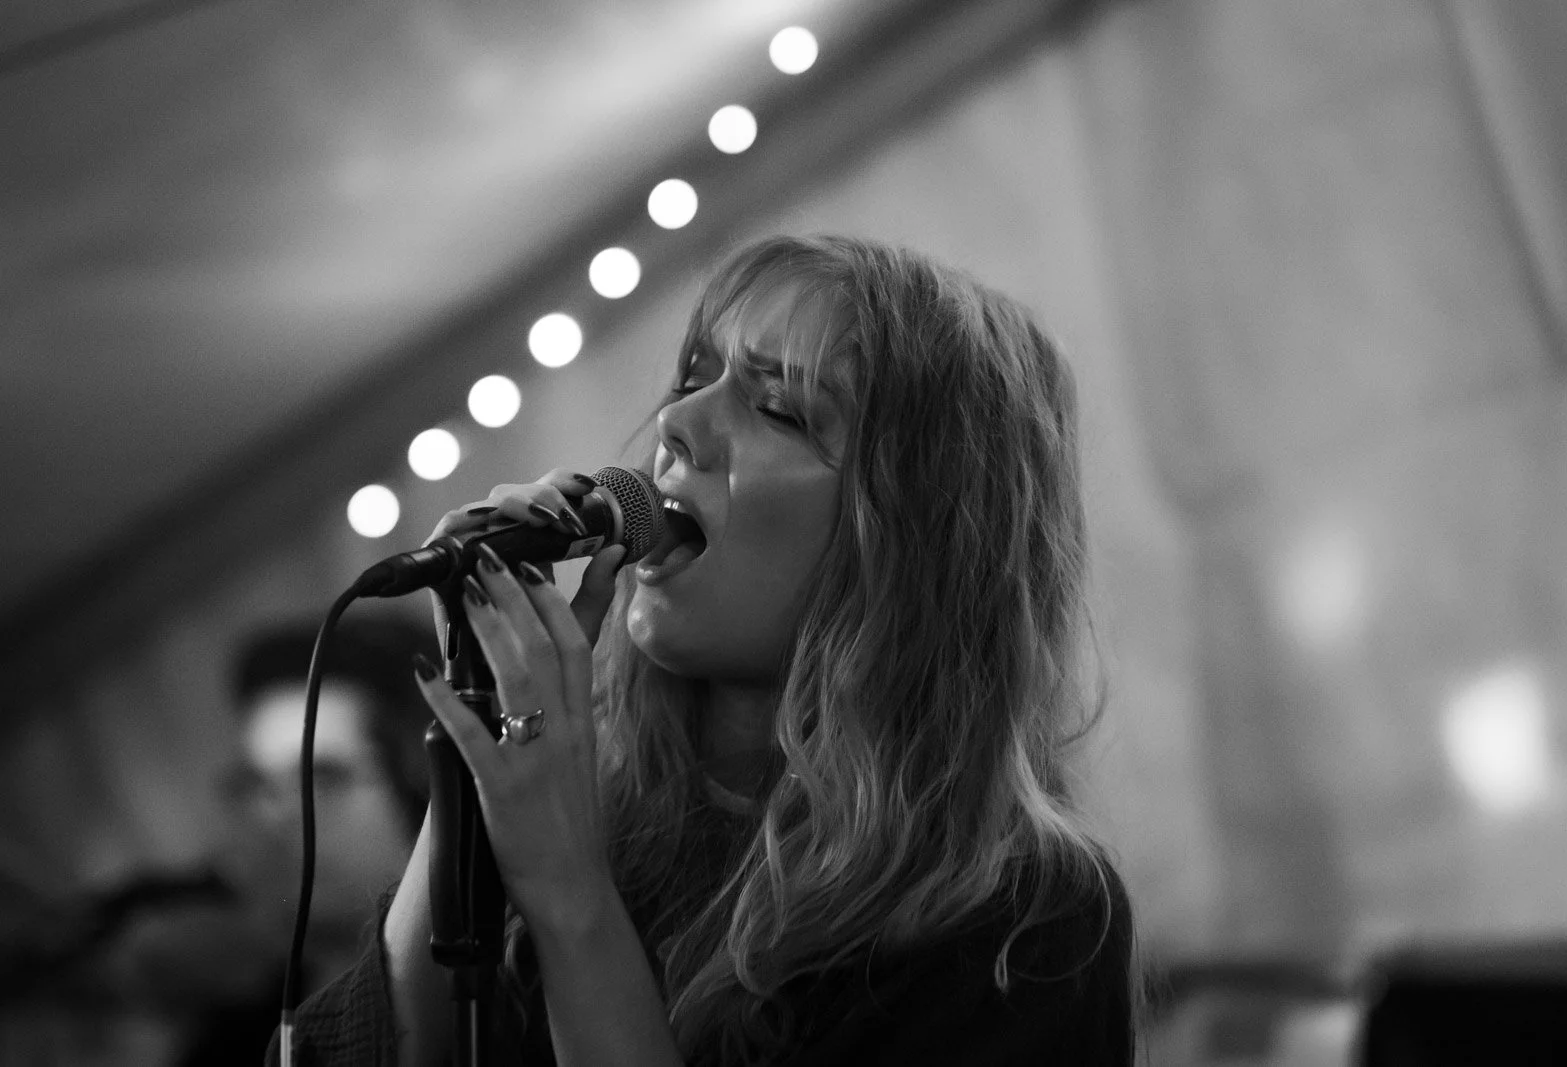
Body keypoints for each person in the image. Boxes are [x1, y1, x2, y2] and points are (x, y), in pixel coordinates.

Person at [274, 234, 1137, 1065]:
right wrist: (479, 745)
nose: (678, 421)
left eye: (778, 407)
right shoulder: (601, 808)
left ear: (909, 541)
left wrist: (572, 894)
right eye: (694, 375)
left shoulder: (1025, 918)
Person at [109, 614, 438, 1065]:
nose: (278, 816)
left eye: (323, 778)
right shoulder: (228, 1046)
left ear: (424, 785)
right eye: (260, 786)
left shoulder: (508, 1000)